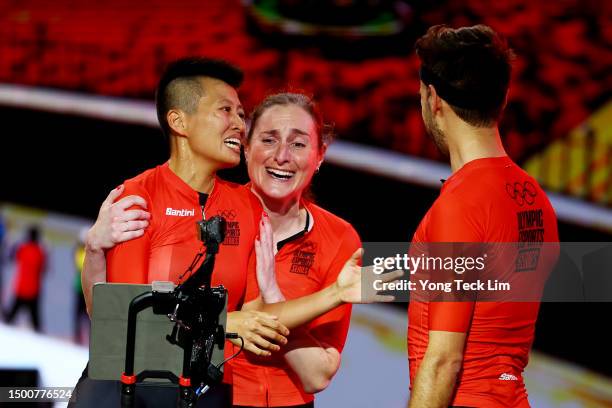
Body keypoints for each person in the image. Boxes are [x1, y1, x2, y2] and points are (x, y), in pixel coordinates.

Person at [77, 59, 394, 407]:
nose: (237, 124)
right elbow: (126, 325)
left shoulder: (251, 213)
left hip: (208, 395)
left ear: (321, 155)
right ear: (179, 121)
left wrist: (335, 293)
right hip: (133, 392)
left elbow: (263, 323)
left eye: (240, 114)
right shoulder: (139, 198)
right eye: (226, 110)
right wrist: (226, 323)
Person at [407, 25, 559, 407]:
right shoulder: (535, 199)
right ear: (503, 98)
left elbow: (444, 361)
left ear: (434, 98)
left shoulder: (460, 205)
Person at [5, 225, 46, 332]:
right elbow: (44, 269)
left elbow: (10, 257)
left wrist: (13, 243)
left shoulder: (23, 248)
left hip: (21, 290)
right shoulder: (40, 252)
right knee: (37, 325)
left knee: (9, 318)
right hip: (33, 291)